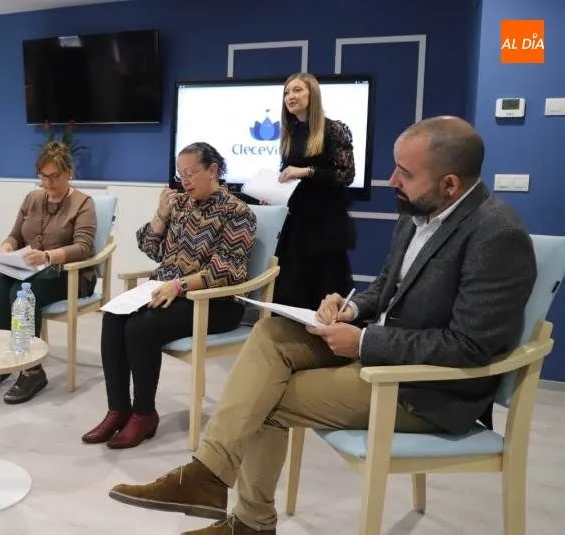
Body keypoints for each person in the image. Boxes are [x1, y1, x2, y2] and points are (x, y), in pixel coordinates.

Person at [105, 116, 537, 535]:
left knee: (264, 400)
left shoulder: (496, 235)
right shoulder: (416, 214)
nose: (391, 181)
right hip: (381, 351)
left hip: (425, 390)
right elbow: (386, 289)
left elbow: (470, 347)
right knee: (272, 332)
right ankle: (209, 476)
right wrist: (350, 309)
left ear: (450, 185)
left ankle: (244, 517)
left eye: (405, 173)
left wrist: (367, 341)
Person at [82, 142, 257, 450]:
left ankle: (144, 413)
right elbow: (151, 248)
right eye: (180, 174)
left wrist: (180, 286)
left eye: (191, 173)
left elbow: (229, 270)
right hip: (167, 292)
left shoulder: (237, 212)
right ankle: (118, 409)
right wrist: (161, 214)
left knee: (140, 328)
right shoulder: (182, 205)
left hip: (215, 302)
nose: (184, 181)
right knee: (113, 317)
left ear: (213, 170)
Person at [0, 141, 97, 404]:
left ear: (69, 172)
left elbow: (83, 247)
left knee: (23, 294)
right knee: (0, 287)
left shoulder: (83, 203)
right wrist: (6, 249)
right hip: (31, 269)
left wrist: (48, 256)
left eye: (54, 176)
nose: (47, 183)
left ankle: (32, 370)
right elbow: (14, 235)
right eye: (43, 176)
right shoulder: (32, 198)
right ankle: (4, 361)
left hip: (68, 275)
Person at [271, 73, 356, 310]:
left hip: (325, 223)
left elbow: (346, 174)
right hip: (296, 219)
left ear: (313, 94)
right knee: (291, 285)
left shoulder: (333, 129)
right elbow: (289, 172)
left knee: (324, 283)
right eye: (287, 92)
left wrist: (307, 171)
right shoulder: (290, 132)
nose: (290, 96)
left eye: (297, 90)